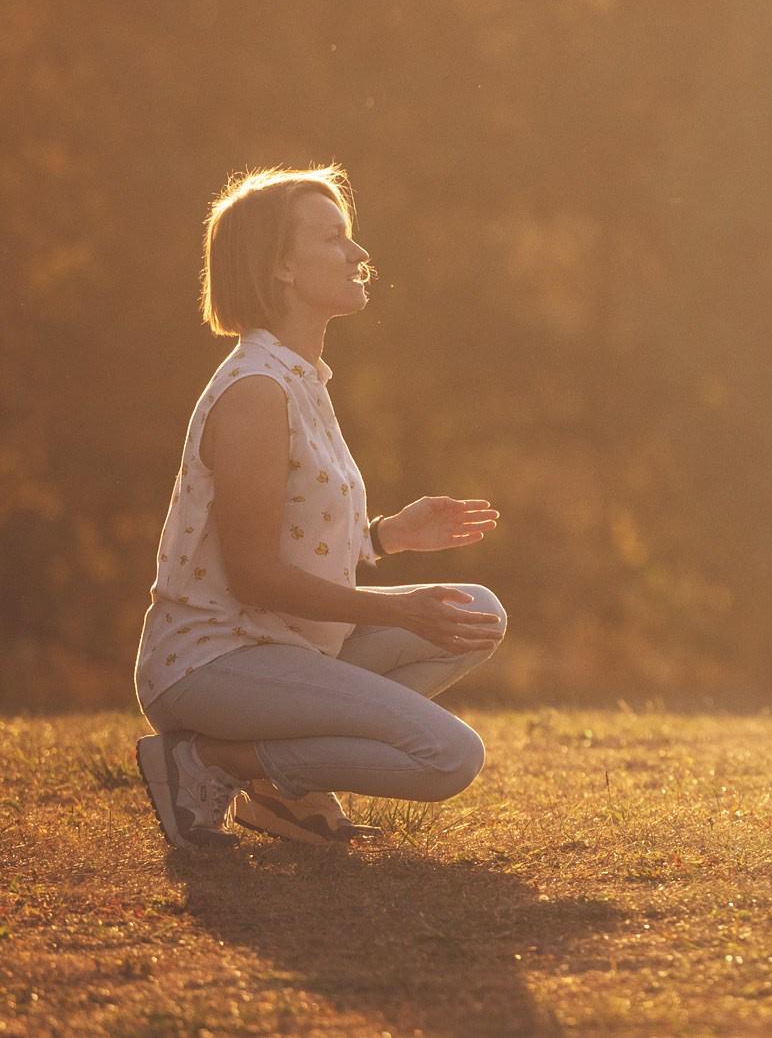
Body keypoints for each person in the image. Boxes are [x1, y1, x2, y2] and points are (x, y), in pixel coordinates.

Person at [134, 166, 507, 850]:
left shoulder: (300, 379)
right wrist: (396, 609)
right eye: (336, 238)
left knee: (477, 610)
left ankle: (279, 791)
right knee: (450, 757)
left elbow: (289, 539)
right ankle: (206, 762)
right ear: (280, 268)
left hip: (284, 649)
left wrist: (385, 538)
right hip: (211, 664)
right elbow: (251, 576)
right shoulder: (255, 393)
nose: (360, 255)